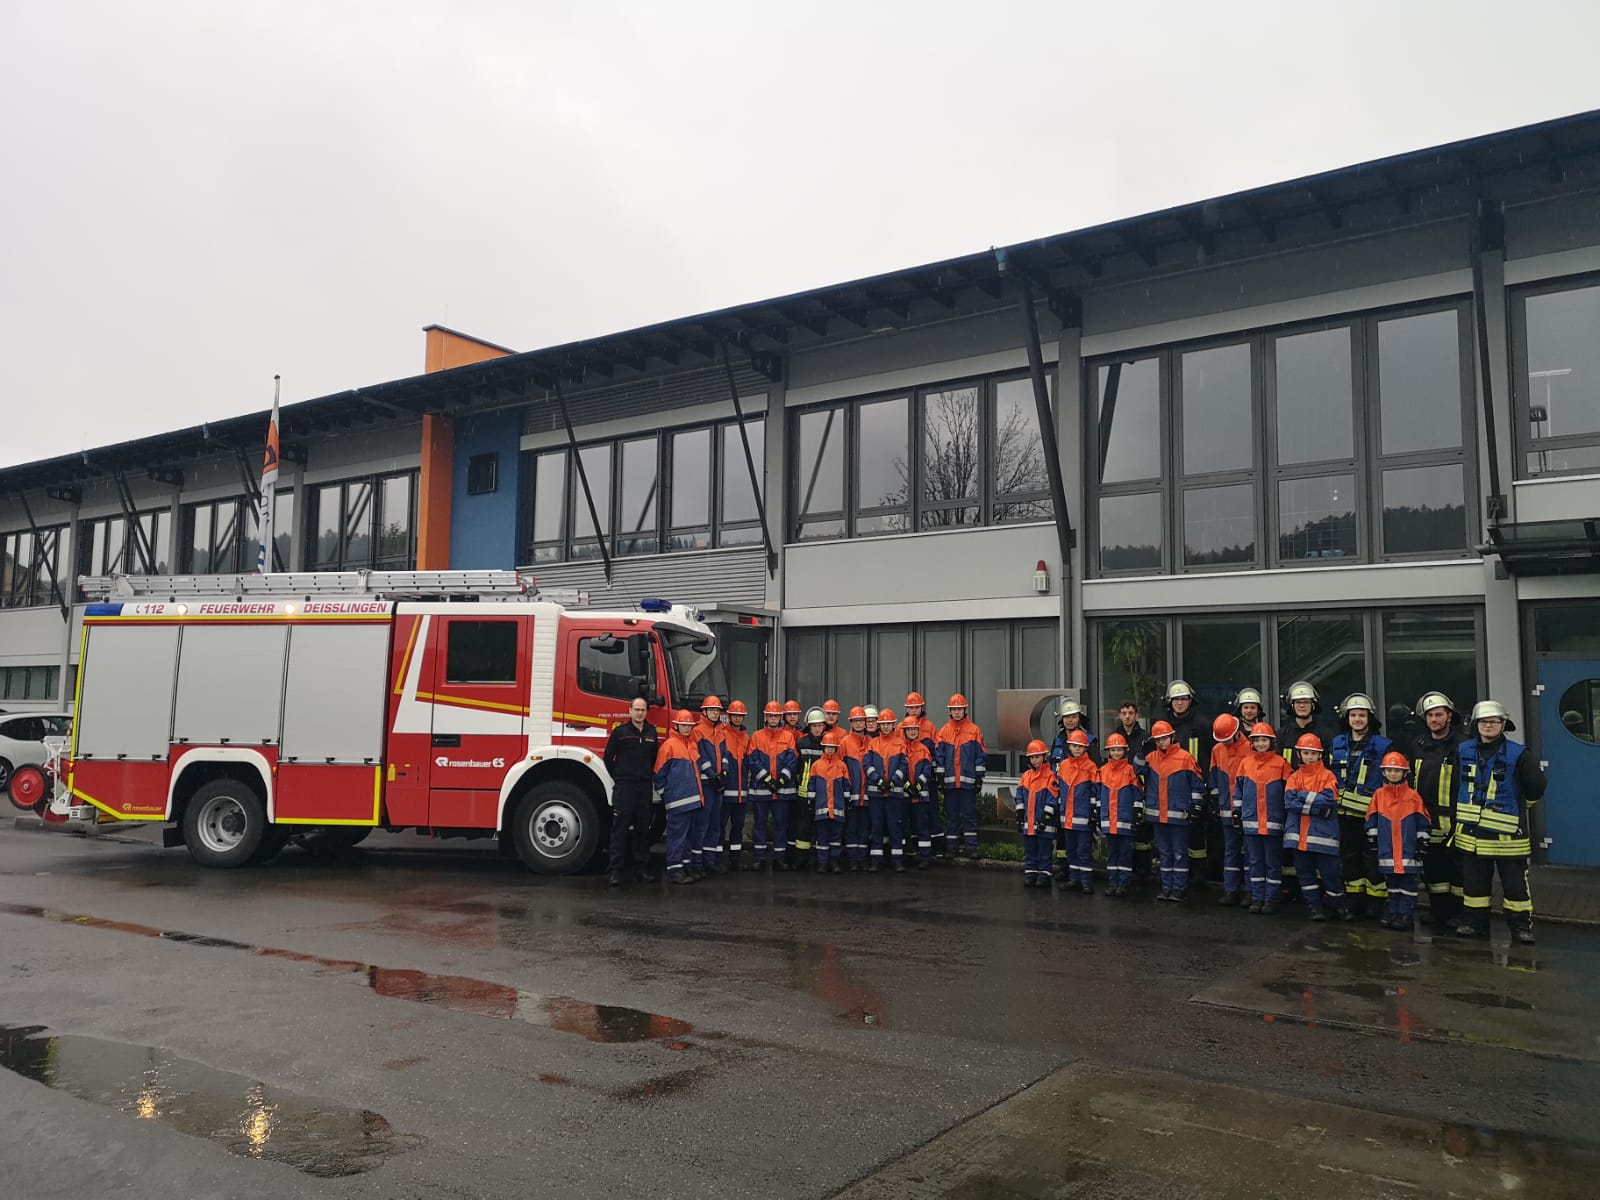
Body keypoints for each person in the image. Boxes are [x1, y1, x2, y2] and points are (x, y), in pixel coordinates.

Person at [1453, 700, 1547, 944]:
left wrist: (1519, 808)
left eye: (1494, 722)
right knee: (1474, 887)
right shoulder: (1463, 751)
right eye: (1484, 721)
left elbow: (1536, 786)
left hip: (1508, 838)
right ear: (1476, 724)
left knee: (1515, 888)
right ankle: (1475, 924)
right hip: (1472, 835)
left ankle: (1520, 928)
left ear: (1503, 725)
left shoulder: (1519, 754)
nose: (1488, 726)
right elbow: (1455, 785)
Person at [1329, 692, 1394, 917]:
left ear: (1370, 718)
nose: (1357, 719)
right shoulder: (1337, 743)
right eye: (1353, 715)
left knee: (1373, 858)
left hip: (1372, 814)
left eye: (1362, 715)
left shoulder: (1384, 745)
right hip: (1344, 813)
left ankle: (1377, 903)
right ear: (1347, 718)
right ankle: (1354, 900)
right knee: (1349, 857)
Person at [1409, 691, 1466, 929]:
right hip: (1427, 818)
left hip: (1455, 818)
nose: (1435, 719)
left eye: (1439, 714)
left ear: (1449, 716)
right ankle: (1438, 911)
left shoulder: (1463, 745)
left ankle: (1459, 914)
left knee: (1459, 871)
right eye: (1431, 715)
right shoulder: (1418, 745)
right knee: (1433, 870)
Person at [1283, 733, 1347, 921]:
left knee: (1331, 875)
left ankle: (1339, 907)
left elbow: (1329, 800)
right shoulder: (1294, 777)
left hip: (1324, 838)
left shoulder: (1328, 776)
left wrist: (1302, 796)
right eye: (1306, 753)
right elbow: (1289, 803)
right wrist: (1314, 806)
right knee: (1305, 875)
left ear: (1320, 755)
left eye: (1313, 753)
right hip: (1298, 838)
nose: (1309, 756)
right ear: (1299, 754)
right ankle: (1314, 908)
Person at [1366, 751, 1431, 930]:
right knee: (1391, 884)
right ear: (1383, 772)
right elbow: (1370, 819)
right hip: (1387, 851)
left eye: (1397, 770)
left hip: (1408, 851)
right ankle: (1393, 912)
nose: (1393, 774)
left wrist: (1422, 844)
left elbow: (1423, 822)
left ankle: (1405, 915)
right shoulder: (1379, 795)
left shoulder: (1413, 796)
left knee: (1408, 885)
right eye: (1389, 770)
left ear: (1404, 773)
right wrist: (1372, 839)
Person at [1233, 723, 1291, 915]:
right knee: (1255, 861)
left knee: (1272, 863)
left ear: (1271, 741)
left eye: (1264, 740)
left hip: (1273, 823)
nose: (1260, 743)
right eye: (1256, 740)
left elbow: (1288, 792)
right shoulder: (1245, 763)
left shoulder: (1281, 763)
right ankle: (1257, 897)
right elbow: (1238, 790)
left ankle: (1271, 898)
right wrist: (1237, 812)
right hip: (1251, 823)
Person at [1144, 719, 1203, 902]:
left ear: (1172, 737)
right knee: (1165, 853)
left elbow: (1197, 783)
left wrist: (1196, 806)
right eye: (1158, 739)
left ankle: (1179, 888)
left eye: (1164, 738)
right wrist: (1141, 751)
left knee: (1179, 853)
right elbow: (1136, 770)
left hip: (1179, 815)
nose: (1161, 742)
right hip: (1158, 815)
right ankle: (1166, 887)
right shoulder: (1151, 758)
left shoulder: (1185, 757)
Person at [602, 696, 659, 885]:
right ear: (630, 711)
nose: (640, 713)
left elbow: (653, 758)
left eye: (643, 710)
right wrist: (619, 777)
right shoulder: (620, 732)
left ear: (646, 712)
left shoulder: (652, 732)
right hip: (625, 787)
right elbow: (609, 758)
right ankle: (615, 870)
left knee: (643, 830)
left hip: (643, 787)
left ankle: (640, 869)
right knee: (619, 829)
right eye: (637, 709)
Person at [1161, 680, 1212, 887]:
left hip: (1195, 784)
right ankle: (1177, 872)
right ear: (1170, 702)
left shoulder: (1202, 724)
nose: (1180, 703)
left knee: (1196, 830)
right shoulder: (1164, 725)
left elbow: (1209, 756)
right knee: (1174, 832)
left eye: (1183, 699)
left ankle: (1198, 872)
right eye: (1176, 699)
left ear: (1191, 701)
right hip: (1171, 785)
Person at [653, 710, 705, 885]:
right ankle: (674, 870)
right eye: (684, 725)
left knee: (688, 837)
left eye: (689, 726)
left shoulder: (691, 744)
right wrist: (666, 795)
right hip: (678, 801)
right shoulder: (669, 745)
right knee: (678, 837)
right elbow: (659, 774)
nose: (686, 728)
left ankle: (685, 866)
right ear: (676, 725)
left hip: (692, 800)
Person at [748, 701, 798, 870]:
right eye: (770, 716)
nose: (773, 719)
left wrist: (781, 780)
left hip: (783, 791)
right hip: (762, 790)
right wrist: (768, 780)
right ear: (766, 717)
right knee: (760, 824)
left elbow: (792, 760)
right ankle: (759, 858)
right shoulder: (756, 736)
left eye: (776, 716)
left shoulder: (788, 737)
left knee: (780, 825)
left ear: (780, 717)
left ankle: (779, 858)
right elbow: (753, 760)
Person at [936, 694, 987, 858]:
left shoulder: (974, 731)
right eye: (954, 709)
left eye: (959, 709)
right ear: (950, 711)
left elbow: (981, 756)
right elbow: (939, 757)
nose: (957, 712)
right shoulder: (943, 731)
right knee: (952, 816)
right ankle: (952, 847)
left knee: (969, 815)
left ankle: (971, 848)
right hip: (950, 784)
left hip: (968, 784)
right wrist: (940, 778)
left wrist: (979, 778)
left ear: (965, 709)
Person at [1209, 713, 1251, 906]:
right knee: (1231, 851)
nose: (1225, 743)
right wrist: (1216, 801)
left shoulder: (1250, 747)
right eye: (1222, 740)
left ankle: (1251, 891)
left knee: (1251, 853)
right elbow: (1215, 778)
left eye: (1227, 739)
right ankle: (1231, 890)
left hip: (1248, 810)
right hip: (1227, 809)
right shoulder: (1218, 750)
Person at [1097, 733, 1143, 897]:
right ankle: (1112, 882)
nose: (1116, 753)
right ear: (1108, 751)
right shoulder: (1102, 771)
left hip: (1125, 821)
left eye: (1119, 750)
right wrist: (1098, 816)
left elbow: (1138, 795)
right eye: (1113, 750)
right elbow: (1098, 796)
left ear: (1125, 751)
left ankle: (1123, 883)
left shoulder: (1130, 770)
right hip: (1109, 822)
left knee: (1124, 854)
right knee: (1112, 854)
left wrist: (1137, 814)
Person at [1056, 729, 1100, 894]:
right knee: (1071, 850)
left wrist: (1093, 813)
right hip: (1067, 817)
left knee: (1084, 850)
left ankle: (1086, 881)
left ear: (1085, 748)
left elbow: (1095, 793)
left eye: (1079, 746)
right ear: (1069, 746)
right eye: (1074, 746)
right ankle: (1075, 879)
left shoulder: (1091, 767)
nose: (1076, 749)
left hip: (1083, 817)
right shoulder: (1064, 766)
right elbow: (1060, 791)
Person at [903, 693, 946, 861]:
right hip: (907, 782)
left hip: (927, 781)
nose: (913, 710)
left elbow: (936, 753)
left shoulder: (930, 727)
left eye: (916, 707)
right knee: (911, 816)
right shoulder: (902, 727)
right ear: (906, 708)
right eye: (911, 707)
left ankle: (938, 847)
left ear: (922, 707)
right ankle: (914, 848)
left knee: (930, 813)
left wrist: (930, 777)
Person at [692, 696, 729, 878]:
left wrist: (723, 774)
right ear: (704, 711)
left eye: (717, 710)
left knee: (715, 824)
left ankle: (709, 860)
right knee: (702, 824)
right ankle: (697, 863)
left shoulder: (720, 731)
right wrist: (713, 775)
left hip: (717, 784)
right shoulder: (698, 731)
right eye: (712, 710)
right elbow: (701, 757)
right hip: (706, 784)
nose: (715, 713)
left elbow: (725, 755)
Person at [1015, 740, 1059, 889]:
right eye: (1032, 757)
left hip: (1044, 824)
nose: (1034, 760)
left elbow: (1052, 799)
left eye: (1037, 756)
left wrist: (1045, 818)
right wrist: (1019, 815)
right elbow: (1019, 796)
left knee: (1044, 851)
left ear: (1044, 757)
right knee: (1030, 850)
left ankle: (1044, 875)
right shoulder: (1025, 776)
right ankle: (1030, 874)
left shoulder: (1050, 776)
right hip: (1029, 823)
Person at [809, 730, 850, 873]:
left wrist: (847, 801)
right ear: (823, 747)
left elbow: (846, 786)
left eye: (833, 747)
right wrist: (811, 801)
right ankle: (822, 863)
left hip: (838, 809)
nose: (830, 749)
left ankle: (834, 862)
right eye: (828, 747)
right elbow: (811, 785)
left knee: (836, 838)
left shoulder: (842, 766)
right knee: (822, 839)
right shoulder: (816, 765)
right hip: (822, 810)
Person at [720, 700, 752, 870]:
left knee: (738, 828)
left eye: (740, 716)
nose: (738, 719)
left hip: (741, 793)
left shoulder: (746, 738)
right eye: (735, 715)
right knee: (720, 827)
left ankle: (735, 860)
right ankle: (717, 859)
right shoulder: (723, 735)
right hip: (726, 792)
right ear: (730, 716)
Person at [902, 714, 936, 869]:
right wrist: (907, 785)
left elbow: (927, 770)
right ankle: (906, 856)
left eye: (915, 729)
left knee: (923, 828)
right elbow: (899, 769)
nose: (913, 732)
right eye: (910, 730)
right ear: (905, 731)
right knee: (905, 828)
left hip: (921, 797)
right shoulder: (900, 749)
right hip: (904, 796)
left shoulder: (924, 749)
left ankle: (924, 857)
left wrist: (918, 785)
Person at [840, 706, 873, 870]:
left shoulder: (872, 742)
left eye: (861, 720)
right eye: (856, 721)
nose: (859, 724)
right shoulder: (845, 743)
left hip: (867, 793)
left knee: (865, 827)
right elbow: (839, 768)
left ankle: (863, 858)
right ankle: (853, 859)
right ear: (851, 723)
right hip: (852, 793)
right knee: (851, 827)